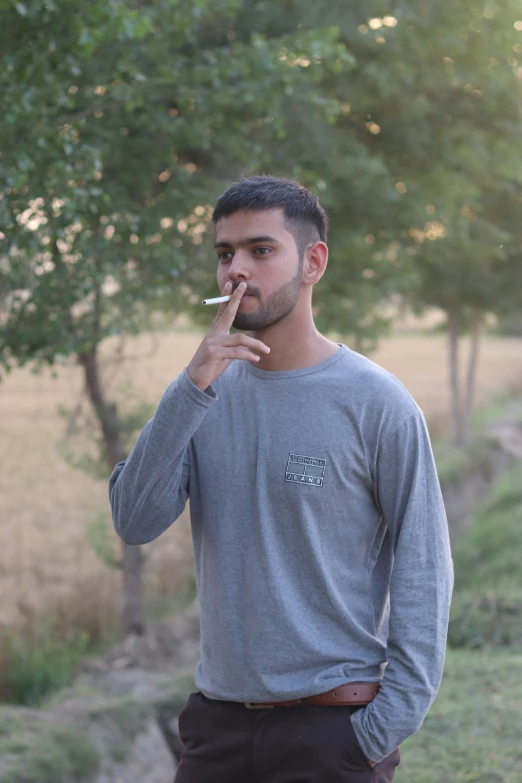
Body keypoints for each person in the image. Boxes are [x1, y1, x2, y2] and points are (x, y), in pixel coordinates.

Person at [109, 175, 454, 783]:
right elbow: (134, 522)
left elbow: (425, 566)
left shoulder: (378, 404)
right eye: (224, 253)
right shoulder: (201, 394)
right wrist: (189, 389)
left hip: (332, 732)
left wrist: (380, 730)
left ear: (313, 261)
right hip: (216, 729)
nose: (235, 272)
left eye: (260, 250)